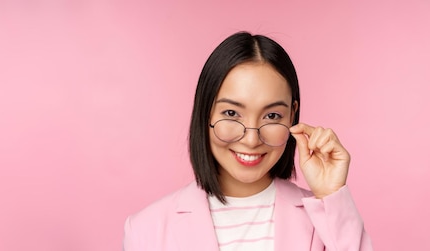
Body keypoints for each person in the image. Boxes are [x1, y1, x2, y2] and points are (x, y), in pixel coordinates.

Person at [123, 31, 373, 251]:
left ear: (292, 116)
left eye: (272, 116)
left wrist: (331, 196)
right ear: (206, 112)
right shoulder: (145, 229)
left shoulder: (325, 221)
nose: (252, 139)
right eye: (231, 113)